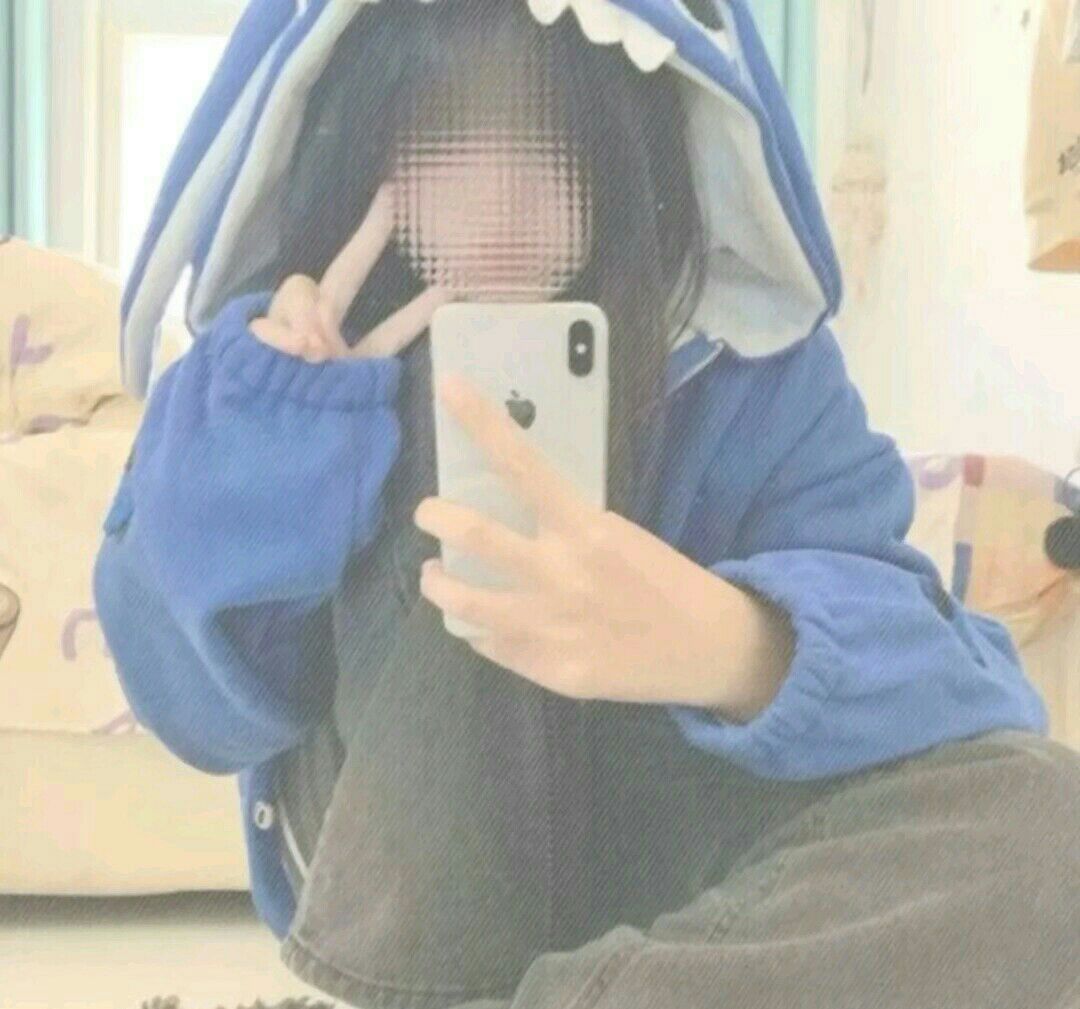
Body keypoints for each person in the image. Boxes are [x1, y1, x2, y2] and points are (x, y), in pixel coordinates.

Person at [94, 1, 1080, 1007]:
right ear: (365, 153)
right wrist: (277, 438)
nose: (499, 207)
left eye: (549, 140)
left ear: (627, 151)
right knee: (460, 442)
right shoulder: (267, 373)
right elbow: (194, 715)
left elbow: (969, 695)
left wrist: (735, 644)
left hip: (688, 873)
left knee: (1053, 824)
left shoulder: (758, 375)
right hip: (406, 890)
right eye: (439, 140)